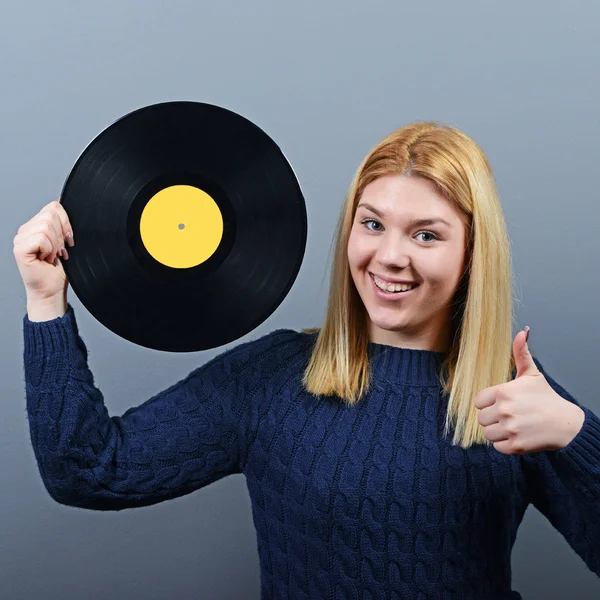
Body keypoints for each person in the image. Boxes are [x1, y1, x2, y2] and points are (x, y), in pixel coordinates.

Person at [14, 121, 600, 599]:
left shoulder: (514, 396)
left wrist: (577, 436)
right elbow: (88, 470)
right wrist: (46, 302)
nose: (389, 256)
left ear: (474, 252)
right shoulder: (272, 378)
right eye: (372, 225)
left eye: (426, 235)